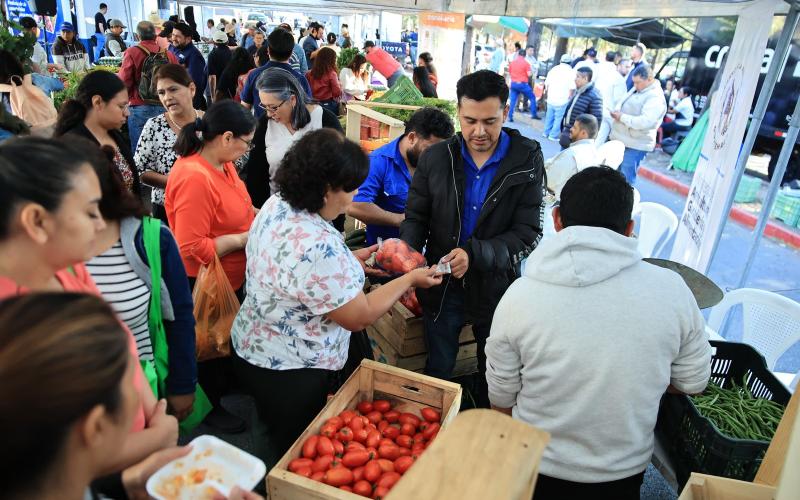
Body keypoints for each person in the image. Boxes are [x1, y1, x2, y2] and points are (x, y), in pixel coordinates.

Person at [486, 166, 711, 500]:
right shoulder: (672, 290)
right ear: (629, 228)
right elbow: (693, 381)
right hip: (622, 473)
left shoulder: (520, 296)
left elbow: (501, 398)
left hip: (534, 464)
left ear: (557, 219)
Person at [231, 129, 444, 457]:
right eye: (351, 188)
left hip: (255, 345)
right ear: (326, 190)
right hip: (293, 368)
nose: (355, 195)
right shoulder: (319, 244)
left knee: (268, 430)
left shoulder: (278, 203)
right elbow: (359, 316)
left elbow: (296, 272)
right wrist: (409, 279)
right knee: (290, 449)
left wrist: (348, 260)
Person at [0, 136, 178, 470]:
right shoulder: (13, 325)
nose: (100, 224)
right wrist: (157, 438)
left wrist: (154, 416)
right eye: (90, 211)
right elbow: (51, 465)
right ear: (37, 221)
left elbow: (122, 346)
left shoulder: (64, 268)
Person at [400, 70, 545, 407]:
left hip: (496, 286)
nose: (479, 131)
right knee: (439, 364)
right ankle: (437, 427)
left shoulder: (526, 158)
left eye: (490, 121)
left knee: (493, 371)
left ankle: (484, 425)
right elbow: (416, 217)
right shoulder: (436, 157)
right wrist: (408, 259)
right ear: (458, 113)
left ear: (505, 113)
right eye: (470, 120)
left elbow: (528, 233)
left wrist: (474, 255)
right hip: (440, 284)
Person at [86, 144, 198, 423]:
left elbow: (180, 315)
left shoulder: (149, 239)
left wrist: (183, 385)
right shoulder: (51, 255)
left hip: (143, 391)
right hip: (79, 407)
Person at [165, 101, 257, 433]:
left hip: (228, 276)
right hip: (201, 278)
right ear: (227, 137)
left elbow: (242, 208)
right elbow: (191, 245)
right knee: (206, 346)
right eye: (246, 142)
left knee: (221, 339)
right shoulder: (194, 177)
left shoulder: (224, 164)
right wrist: (245, 238)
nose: (248, 149)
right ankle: (209, 410)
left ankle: (225, 390)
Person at [349, 107, 454, 245]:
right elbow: (355, 206)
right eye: (430, 150)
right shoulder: (378, 162)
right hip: (386, 253)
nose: (435, 157)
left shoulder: (441, 161)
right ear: (411, 138)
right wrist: (401, 220)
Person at [244, 67, 343, 207]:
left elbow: (340, 173)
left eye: (273, 107)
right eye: (264, 106)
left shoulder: (326, 121)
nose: (269, 114)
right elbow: (256, 176)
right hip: (276, 213)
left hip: (320, 214)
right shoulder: (265, 125)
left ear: (292, 99)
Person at [54, 70, 140, 196]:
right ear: (98, 102)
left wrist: (145, 217)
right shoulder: (73, 147)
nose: (127, 113)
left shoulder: (113, 135)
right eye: (121, 106)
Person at [135, 64, 202, 222]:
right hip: (165, 209)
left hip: (207, 206)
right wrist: (178, 183)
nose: (167, 97)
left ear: (191, 89)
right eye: (161, 93)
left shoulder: (210, 123)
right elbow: (141, 170)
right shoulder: (154, 126)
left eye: (173, 89)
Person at [119, 21, 179, 150]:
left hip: (139, 106)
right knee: (163, 148)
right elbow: (178, 81)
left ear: (138, 36)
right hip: (164, 107)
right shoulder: (169, 55)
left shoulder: (132, 52)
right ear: (155, 36)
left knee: (140, 150)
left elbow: (124, 81)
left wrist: (127, 100)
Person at [610, 65, 666, 183]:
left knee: (625, 180)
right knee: (614, 177)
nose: (635, 85)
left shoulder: (655, 97)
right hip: (623, 140)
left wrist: (622, 117)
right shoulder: (639, 89)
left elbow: (645, 122)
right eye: (634, 82)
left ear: (649, 79)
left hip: (636, 143)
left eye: (638, 82)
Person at [240, 28, 312, 118]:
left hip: (261, 130)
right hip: (290, 130)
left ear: (268, 51)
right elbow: (308, 111)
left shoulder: (254, 75)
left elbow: (244, 108)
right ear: (291, 54)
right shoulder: (300, 79)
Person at [545, 114, 600, 198]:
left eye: (574, 127)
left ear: (583, 133)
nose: (570, 129)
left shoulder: (573, 154)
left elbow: (549, 181)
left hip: (556, 201)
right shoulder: (594, 153)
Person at [559, 66, 603, 148]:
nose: (575, 79)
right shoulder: (579, 91)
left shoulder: (595, 96)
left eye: (577, 76)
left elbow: (596, 121)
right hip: (569, 134)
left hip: (578, 139)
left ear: (585, 78)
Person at [170, 22, 208, 111]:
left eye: (178, 36)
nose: (174, 39)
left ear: (188, 39)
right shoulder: (172, 48)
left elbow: (196, 84)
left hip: (187, 102)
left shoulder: (194, 55)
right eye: (173, 35)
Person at [593, 51, 628, 145]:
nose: (628, 69)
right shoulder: (618, 79)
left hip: (602, 109)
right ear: (619, 65)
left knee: (599, 138)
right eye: (626, 67)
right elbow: (620, 100)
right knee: (612, 140)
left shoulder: (603, 72)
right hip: (612, 113)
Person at [542, 54, 576, 141]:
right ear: (570, 62)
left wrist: (548, 94)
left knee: (549, 116)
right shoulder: (571, 72)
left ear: (561, 61)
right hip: (562, 99)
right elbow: (572, 88)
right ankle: (552, 135)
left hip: (551, 98)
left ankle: (545, 132)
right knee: (558, 118)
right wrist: (569, 97)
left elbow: (547, 84)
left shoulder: (554, 69)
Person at [306, 47, 342, 116]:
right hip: (328, 105)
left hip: (312, 104)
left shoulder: (309, 73)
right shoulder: (331, 74)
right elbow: (336, 92)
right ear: (331, 60)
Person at [507, 49, 538, 122]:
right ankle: (534, 114)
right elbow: (529, 74)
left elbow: (510, 73)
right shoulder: (526, 63)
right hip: (523, 85)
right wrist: (533, 71)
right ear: (524, 55)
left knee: (512, 101)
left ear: (518, 54)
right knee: (532, 97)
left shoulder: (512, 63)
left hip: (514, 84)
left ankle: (510, 116)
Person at [207, 30, 232, 101]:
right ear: (227, 42)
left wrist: (213, 96)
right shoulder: (231, 53)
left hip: (218, 90)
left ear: (214, 42)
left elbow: (212, 77)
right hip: (229, 90)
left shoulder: (212, 54)